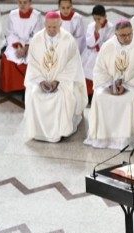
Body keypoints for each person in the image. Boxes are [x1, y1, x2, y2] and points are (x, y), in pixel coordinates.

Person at [85, 19, 134, 150]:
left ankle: (124, 139)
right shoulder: (107, 46)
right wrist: (110, 85)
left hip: (133, 87)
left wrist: (126, 86)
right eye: (123, 35)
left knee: (129, 99)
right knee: (99, 96)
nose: (127, 38)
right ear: (116, 34)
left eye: (129, 34)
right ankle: (103, 137)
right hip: (109, 85)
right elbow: (99, 69)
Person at [22, 11, 87, 142]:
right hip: (41, 80)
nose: (51, 30)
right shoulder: (36, 39)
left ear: (60, 24)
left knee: (60, 96)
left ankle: (59, 131)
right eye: (49, 27)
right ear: (44, 24)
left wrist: (57, 81)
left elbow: (72, 65)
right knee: (34, 94)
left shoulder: (68, 40)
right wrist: (40, 81)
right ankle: (37, 131)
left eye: (55, 27)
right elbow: (33, 64)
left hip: (63, 81)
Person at [0, 0, 43, 93]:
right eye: (20, 2)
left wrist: (26, 48)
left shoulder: (36, 15)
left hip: (32, 45)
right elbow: (10, 33)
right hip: (15, 44)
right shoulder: (13, 14)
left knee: (33, 58)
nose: (22, 5)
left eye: (25, 2)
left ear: (30, 3)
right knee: (9, 58)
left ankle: (30, 86)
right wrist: (19, 46)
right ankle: (14, 87)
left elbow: (37, 35)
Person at [82, 5, 113, 97]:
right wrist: (96, 32)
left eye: (99, 19)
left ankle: (99, 95)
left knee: (101, 76)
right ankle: (89, 96)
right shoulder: (91, 26)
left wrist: (100, 45)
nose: (97, 22)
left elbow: (109, 42)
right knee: (88, 74)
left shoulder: (110, 27)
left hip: (104, 55)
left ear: (105, 16)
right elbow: (89, 43)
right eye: (95, 19)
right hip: (91, 54)